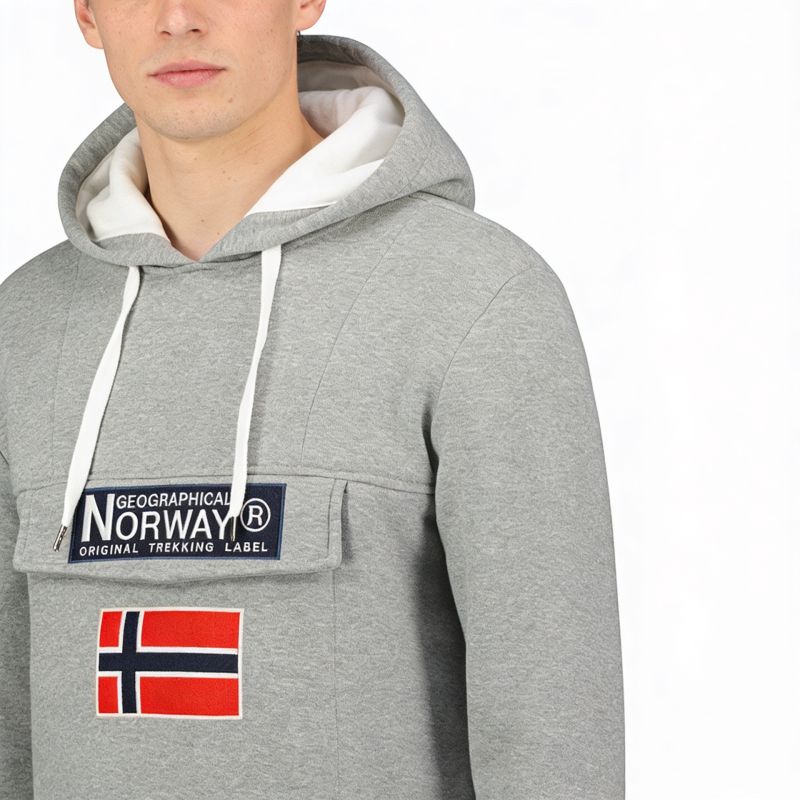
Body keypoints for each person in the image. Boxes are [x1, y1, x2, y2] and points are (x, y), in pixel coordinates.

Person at [0, 1, 625, 798]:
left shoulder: (476, 297)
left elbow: (552, 731)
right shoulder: (25, 325)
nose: (178, 17)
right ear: (87, 13)